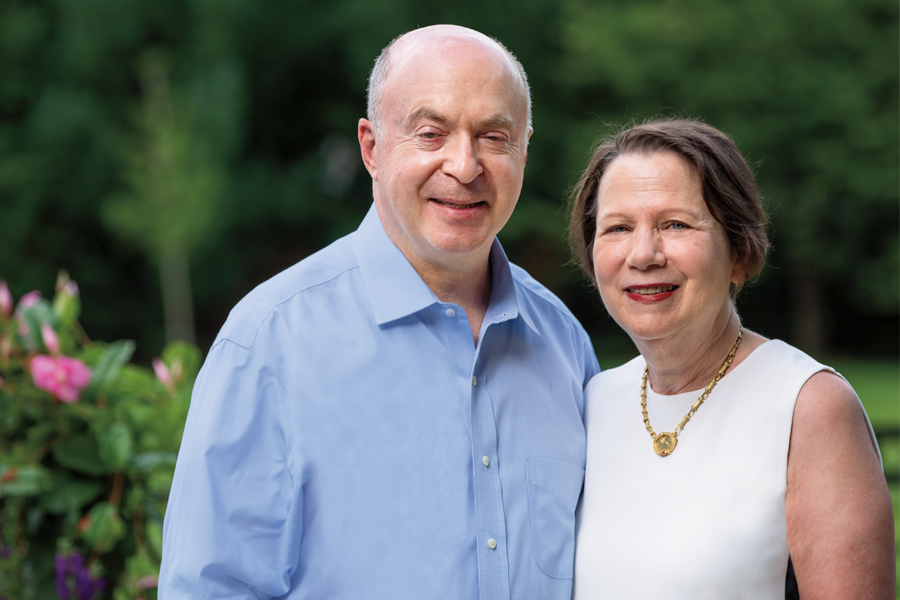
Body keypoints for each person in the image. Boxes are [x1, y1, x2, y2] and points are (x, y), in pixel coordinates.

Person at [158, 25, 599, 599]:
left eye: (493, 137)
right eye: (430, 133)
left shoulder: (564, 344)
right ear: (371, 147)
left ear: (524, 150)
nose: (464, 166)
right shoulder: (270, 342)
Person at [568, 118, 895, 598]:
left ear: (739, 253)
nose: (643, 254)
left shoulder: (808, 407)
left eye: (674, 224)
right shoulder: (592, 400)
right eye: (618, 227)